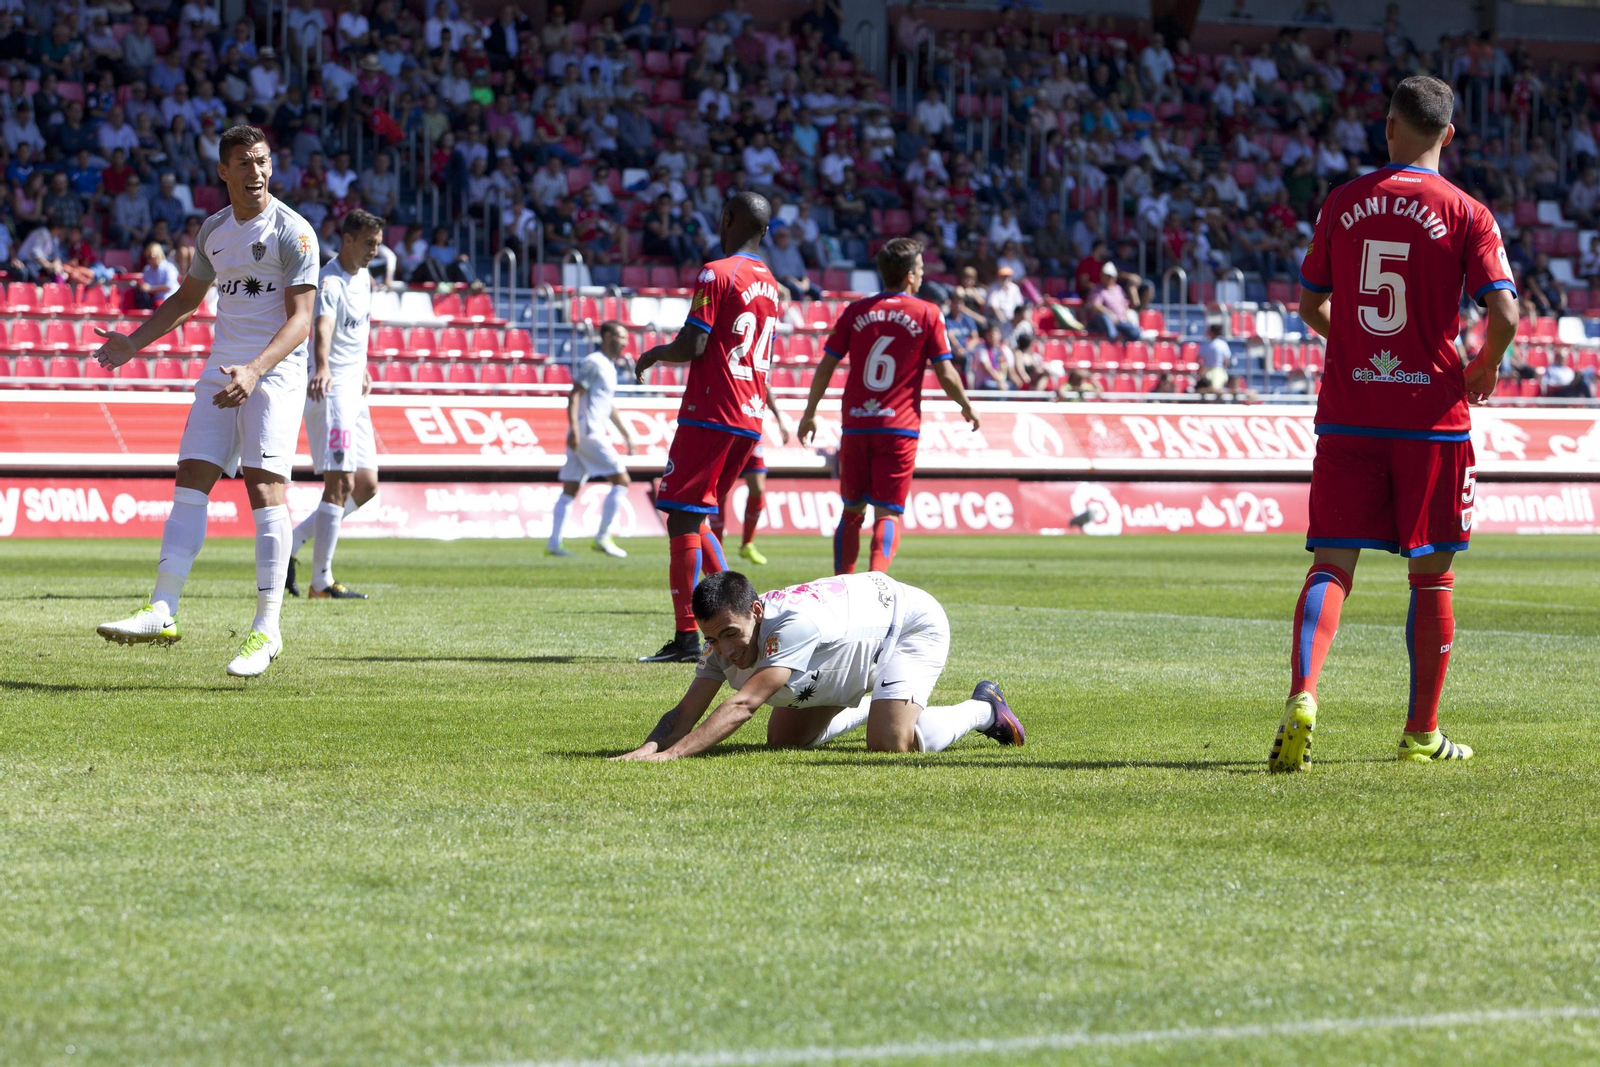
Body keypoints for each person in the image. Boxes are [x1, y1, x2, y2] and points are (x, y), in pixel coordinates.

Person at [1277, 75, 1517, 771]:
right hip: (1432, 420)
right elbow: (1503, 313)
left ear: (1388, 128)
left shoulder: (1343, 200)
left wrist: (1360, 346)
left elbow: (1310, 305)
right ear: (1448, 134)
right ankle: (1420, 733)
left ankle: (1303, 693)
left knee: (1332, 564)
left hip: (1351, 412)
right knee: (1432, 578)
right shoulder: (1468, 211)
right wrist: (1486, 364)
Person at [94, 125, 320, 678]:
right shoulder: (214, 231)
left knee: (263, 486)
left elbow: (302, 321)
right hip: (222, 370)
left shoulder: (295, 233)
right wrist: (132, 343)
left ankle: (267, 629)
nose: (256, 173)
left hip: (275, 373)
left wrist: (256, 369)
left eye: (263, 161)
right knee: (191, 475)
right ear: (223, 172)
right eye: (244, 163)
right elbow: (187, 299)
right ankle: (162, 608)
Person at [613, 570, 1025, 759]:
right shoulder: (720, 642)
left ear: (756, 611)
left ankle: (985, 709)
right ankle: (877, 703)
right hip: (853, 644)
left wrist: (672, 756)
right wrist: (647, 748)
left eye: (730, 635)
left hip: (909, 623)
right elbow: (686, 711)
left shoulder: (791, 628)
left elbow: (743, 706)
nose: (723, 650)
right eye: (711, 639)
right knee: (785, 743)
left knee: (890, 744)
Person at [633, 192, 781, 663]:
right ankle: (745, 618)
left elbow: (694, 344)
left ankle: (687, 637)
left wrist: (655, 353)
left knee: (679, 516)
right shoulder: (771, 283)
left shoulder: (717, 272)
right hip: (748, 416)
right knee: (696, 517)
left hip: (711, 412)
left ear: (727, 219)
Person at [797, 239, 979, 574]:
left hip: (856, 424)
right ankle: (876, 583)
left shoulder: (856, 311)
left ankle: (842, 588)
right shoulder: (927, 312)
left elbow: (826, 365)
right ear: (910, 276)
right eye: (921, 269)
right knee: (888, 512)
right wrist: (965, 405)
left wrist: (810, 413)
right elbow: (946, 371)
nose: (923, 275)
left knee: (852, 510)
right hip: (899, 428)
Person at [285, 209, 385, 601]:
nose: (374, 252)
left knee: (367, 485)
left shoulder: (366, 280)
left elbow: (357, 331)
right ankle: (321, 582)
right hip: (331, 392)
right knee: (340, 482)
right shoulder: (330, 280)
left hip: (355, 393)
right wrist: (323, 366)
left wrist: (362, 368)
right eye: (369, 244)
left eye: (377, 244)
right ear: (347, 239)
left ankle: (293, 541)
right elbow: (322, 327)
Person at [548, 320, 637, 559]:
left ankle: (554, 544)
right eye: (620, 336)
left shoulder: (609, 366)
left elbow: (608, 406)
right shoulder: (594, 362)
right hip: (588, 432)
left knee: (571, 488)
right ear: (607, 336)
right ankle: (602, 537)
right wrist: (575, 429)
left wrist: (626, 434)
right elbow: (574, 394)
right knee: (622, 479)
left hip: (586, 432)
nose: (625, 342)